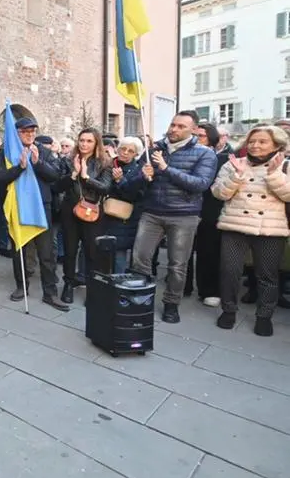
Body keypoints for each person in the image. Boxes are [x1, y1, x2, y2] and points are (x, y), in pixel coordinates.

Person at [122, 111, 218, 323]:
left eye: (181, 126)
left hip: (184, 215)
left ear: (193, 130)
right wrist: (143, 177)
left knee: (177, 264)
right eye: (173, 124)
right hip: (152, 212)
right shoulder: (155, 149)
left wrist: (166, 169)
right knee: (140, 258)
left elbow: (200, 184)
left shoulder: (204, 153)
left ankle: (171, 304)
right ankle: (141, 299)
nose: (174, 129)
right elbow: (131, 184)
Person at [212, 126, 290, 337]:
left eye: (263, 141)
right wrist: (236, 176)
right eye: (252, 141)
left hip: (270, 229)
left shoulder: (285, 166)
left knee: (267, 275)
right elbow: (218, 193)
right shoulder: (233, 164)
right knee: (229, 272)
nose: (255, 145)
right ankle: (228, 310)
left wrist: (274, 175)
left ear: (277, 145)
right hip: (235, 225)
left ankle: (264, 316)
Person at [0, 117, 70, 312]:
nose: (30, 134)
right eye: (25, 131)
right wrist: (19, 167)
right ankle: (21, 287)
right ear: (16, 133)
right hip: (17, 206)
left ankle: (50, 292)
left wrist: (37, 162)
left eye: (32, 131)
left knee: (47, 253)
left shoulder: (44, 151)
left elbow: (55, 176)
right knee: (19, 249)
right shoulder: (6, 152)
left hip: (40, 208)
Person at [57, 128, 113, 303]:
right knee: (70, 250)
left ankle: (93, 288)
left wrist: (86, 177)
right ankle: (68, 283)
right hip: (70, 211)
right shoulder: (67, 160)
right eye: (82, 140)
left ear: (96, 143)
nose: (84, 144)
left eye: (89, 141)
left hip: (93, 212)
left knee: (92, 252)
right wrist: (73, 174)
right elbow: (57, 186)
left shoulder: (105, 162)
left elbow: (105, 187)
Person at [184, 123, 229, 306]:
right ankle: (183, 286)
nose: (196, 139)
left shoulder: (222, 160)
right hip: (184, 209)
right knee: (182, 251)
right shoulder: (182, 156)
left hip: (210, 211)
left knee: (208, 252)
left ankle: (209, 290)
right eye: (194, 135)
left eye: (201, 136)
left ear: (211, 139)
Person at [105, 137, 145, 273]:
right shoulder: (108, 164)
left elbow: (134, 195)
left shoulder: (138, 170)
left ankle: (118, 286)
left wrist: (120, 181)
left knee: (119, 254)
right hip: (102, 215)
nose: (125, 153)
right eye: (123, 148)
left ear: (136, 154)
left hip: (123, 219)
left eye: (131, 151)